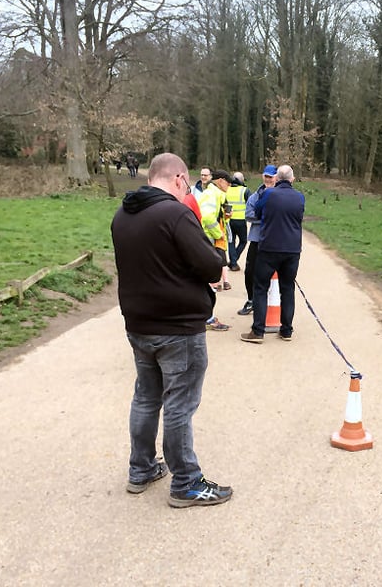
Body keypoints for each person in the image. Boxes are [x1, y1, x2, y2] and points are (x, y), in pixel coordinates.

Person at [110, 152, 233, 509]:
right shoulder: (175, 214)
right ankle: (186, 482)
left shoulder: (122, 215)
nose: (188, 191)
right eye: (187, 185)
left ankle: (141, 469)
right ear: (179, 178)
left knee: (146, 398)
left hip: (139, 324)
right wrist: (216, 255)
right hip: (178, 327)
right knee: (180, 404)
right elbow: (210, 266)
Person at [241, 164, 305, 343]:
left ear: (276, 178)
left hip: (269, 248)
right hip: (292, 249)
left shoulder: (268, 194)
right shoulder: (300, 197)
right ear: (292, 179)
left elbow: (258, 211)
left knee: (261, 287)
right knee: (288, 288)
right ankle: (286, 330)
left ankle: (258, 331)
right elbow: (299, 216)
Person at [237, 165, 277, 316]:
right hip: (256, 239)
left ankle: (270, 303)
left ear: (276, 178)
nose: (268, 179)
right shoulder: (255, 196)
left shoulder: (280, 195)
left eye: (270, 177)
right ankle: (251, 300)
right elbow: (248, 214)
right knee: (250, 271)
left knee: (272, 274)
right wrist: (267, 218)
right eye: (266, 176)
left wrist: (264, 217)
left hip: (274, 241)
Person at [197, 169, 234, 330]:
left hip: (210, 241)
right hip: (209, 241)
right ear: (220, 181)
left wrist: (226, 217)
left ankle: (207, 317)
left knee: (210, 282)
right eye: (228, 182)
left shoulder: (217, 195)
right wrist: (219, 234)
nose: (229, 185)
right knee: (208, 283)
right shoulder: (212, 194)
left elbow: (216, 218)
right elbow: (207, 217)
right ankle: (206, 318)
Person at [226, 171, 251, 271]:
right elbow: (251, 203)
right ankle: (234, 262)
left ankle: (233, 262)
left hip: (229, 219)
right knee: (243, 241)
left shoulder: (227, 189)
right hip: (240, 220)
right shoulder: (245, 190)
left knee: (231, 241)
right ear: (242, 180)